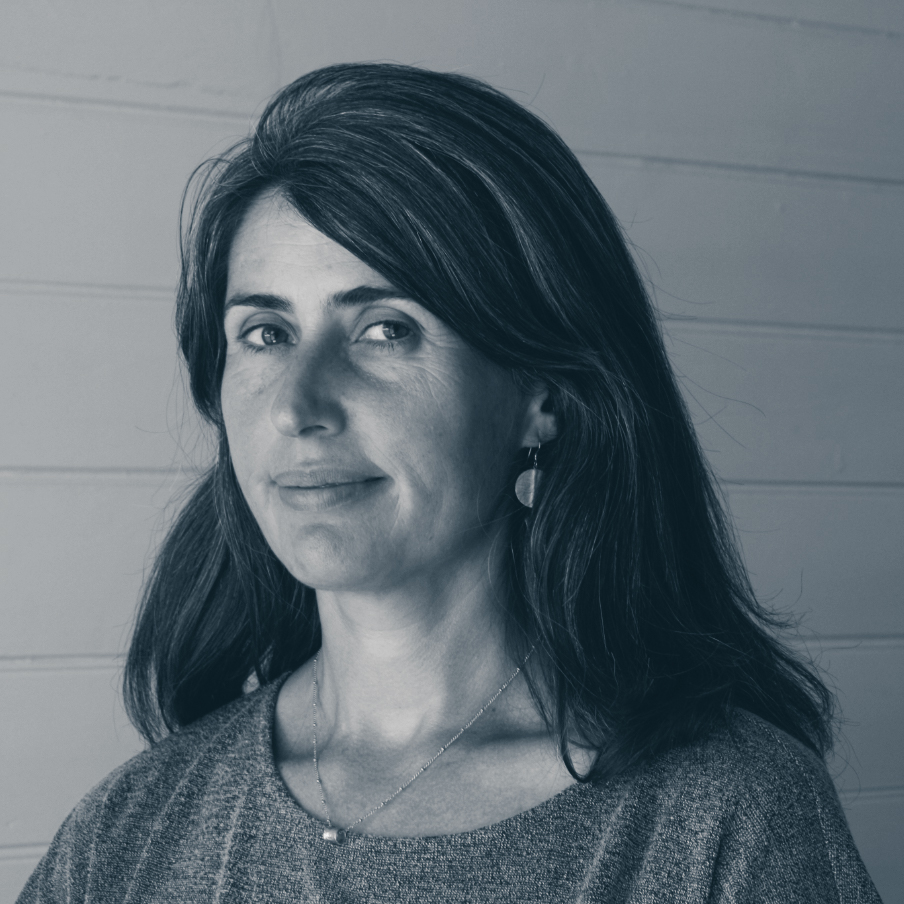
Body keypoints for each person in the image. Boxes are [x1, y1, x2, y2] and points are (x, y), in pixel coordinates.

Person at [18, 63, 881, 903]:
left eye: (385, 329)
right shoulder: (128, 832)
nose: (297, 406)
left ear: (541, 397)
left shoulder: (723, 819)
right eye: (266, 335)